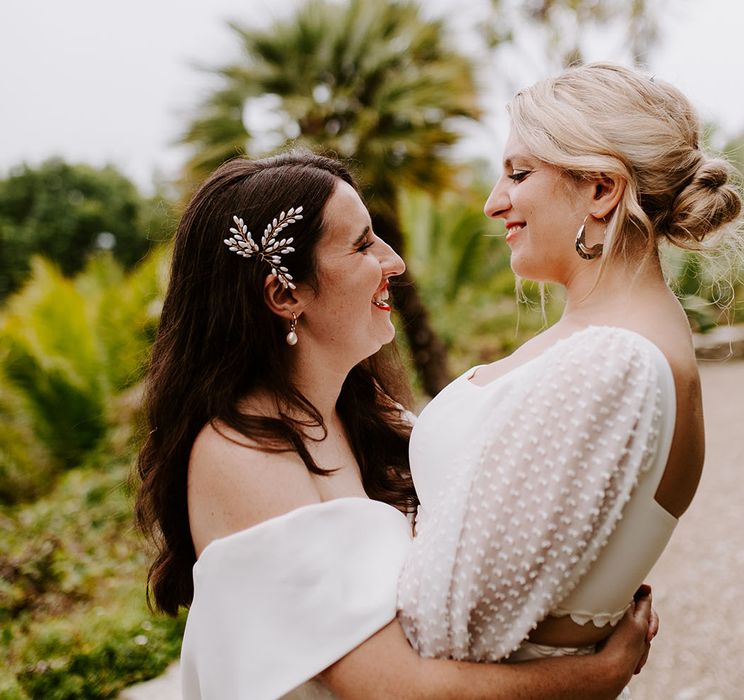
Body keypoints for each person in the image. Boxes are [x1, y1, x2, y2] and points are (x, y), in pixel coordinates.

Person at [135, 150, 656, 700]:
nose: (395, 261)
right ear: (285, 294)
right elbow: (386, 687)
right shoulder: (239, 453)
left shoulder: (365, 412)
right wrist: (598, 675)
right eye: (362, 245)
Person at [396, 62, 744, 696]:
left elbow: (450, 624)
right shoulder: (611, 347)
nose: (492, 201)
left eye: (519, 172)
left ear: (600, 190)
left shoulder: (611, 365)